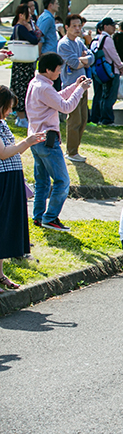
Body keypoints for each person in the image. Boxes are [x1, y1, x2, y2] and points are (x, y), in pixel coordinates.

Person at [26, 53, 93, 231]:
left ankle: (38, 217)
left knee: (42, 182)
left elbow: (57, 98)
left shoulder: (36, 83)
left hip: (36, 139)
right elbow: (66, 107)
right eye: (57, 70)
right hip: (48, 141)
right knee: (62, 182)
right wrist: (81, 90)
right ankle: (50, 218)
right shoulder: (44, 88)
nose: (59, 73)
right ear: (48, 70)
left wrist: (75, 86)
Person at [0, 86, 46, 293]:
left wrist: (28, 143)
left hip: (11, 178)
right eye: (8, 107)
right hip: (3, 179)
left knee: (7, 226)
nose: (10, 111)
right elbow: (3, 153)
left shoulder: (2, 123)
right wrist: (26, 142)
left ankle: (0, 275)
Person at [58, 14, 94, 162]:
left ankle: (75, 150)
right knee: (75, 119)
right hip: (71, 86)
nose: (78, 29)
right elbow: (74, 63)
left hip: (83, 85)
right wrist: (83, 60)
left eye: (79, 26)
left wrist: (84, 60)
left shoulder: (79, 42)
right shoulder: (64, 44)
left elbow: (91, 58)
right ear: (66, 27)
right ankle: (71, 151)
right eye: (74, 26)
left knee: (84, 118)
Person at [89, 18, 123, 125]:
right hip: (111, 71)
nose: (114, 27)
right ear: (105, 27)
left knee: (101, 95)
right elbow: (114, 54)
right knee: (110, 96)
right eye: (111, 25)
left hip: (101, 71)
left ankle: (98, 117)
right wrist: (120, 65)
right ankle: (107, 119)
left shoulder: (97, 39)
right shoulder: (108, 39)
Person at [10, 4, 40, 128]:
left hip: (20, 64)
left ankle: (20, 116)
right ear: (21, 15)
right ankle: (22, 117)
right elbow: (34, 40)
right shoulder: (22, 28)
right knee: (23, 89)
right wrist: (30, 30)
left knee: (20, 88)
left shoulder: (17, 28)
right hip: (24, 65)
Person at [38, 0, 60, 91]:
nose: (58, 5)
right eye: (56, 3)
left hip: (49, 53)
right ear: (50, 5)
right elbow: (40, 37)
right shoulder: (48, 18)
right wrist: (39, 54)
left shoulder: (47, 17)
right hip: (48, 54)